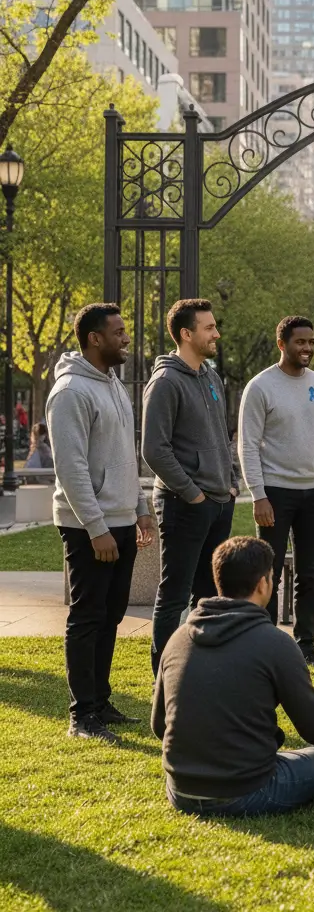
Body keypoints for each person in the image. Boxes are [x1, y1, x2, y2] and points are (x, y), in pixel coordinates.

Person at [154, 536, 314, 816]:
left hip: (180, 791)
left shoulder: (178, 638)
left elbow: (159, 726)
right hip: (247, 790)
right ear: (263, 583)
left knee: (290, 759)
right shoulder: (274, 642)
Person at [47, 303, 155, 744]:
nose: (126, 338)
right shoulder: (71, 391)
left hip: (121, 519)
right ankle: (82, 714)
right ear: (95, 338)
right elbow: (71, 469)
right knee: (87, 615)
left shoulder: (112, 384)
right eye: (119, 332)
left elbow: (124, 457)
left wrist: (141, 505)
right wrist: (95, 527)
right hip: (87, 525)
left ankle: (100, 700)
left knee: (110, 614)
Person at [238, 316, 314, 668]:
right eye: (301, 342)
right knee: (268, 574)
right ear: (282, 344)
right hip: (275, 494)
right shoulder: (260, 387)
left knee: (309, 574)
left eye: (312, 342)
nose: (308, 348)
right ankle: (266, 646)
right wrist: (258, 494)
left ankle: (306, 646)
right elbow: (248, 445)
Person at [142, 298, 238, 677]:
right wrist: (192, 492)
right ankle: (165, 681)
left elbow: (221, 436)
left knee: (209, 596)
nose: (216, 333)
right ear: (186, 333)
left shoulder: (212, 377)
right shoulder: (165, 382)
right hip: (185, 503)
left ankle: (198, 675)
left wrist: (230, 484)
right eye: (209, 327)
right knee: (174, 596)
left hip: (219, 501)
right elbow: (154, 449)